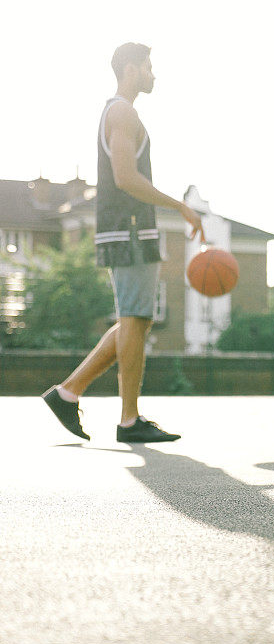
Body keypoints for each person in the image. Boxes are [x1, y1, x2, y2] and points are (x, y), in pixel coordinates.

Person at [42, 43, 205, 443]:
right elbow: (125, 177)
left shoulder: (122, 112)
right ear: (130, 69)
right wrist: (180, 207)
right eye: (149, 67)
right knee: (134, 318)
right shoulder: (121, 111)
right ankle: (129, 420)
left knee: (136, 318)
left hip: (132, 227)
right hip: (128, 228)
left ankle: (67, 393)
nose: (154, 74)